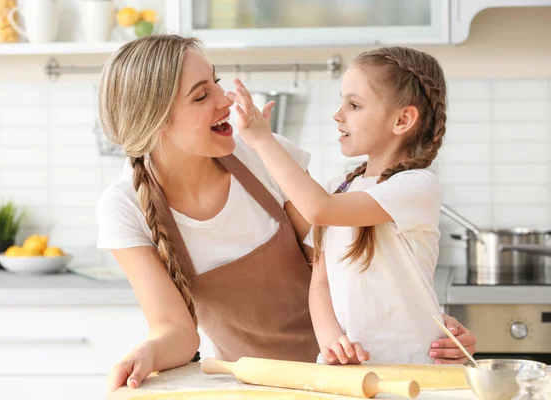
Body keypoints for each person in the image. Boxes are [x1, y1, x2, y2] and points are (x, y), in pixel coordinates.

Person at [95, 35, 477, 391]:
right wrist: (146, 352)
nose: (225, 100)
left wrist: (421, 325)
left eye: (216, 82)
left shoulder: (267, 159)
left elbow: (347, 268)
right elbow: (175, 330)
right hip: (256, 383)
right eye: (201, 96)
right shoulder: (125, 207)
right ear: (157, 121)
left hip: (351, 372)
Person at [228, 46, 457, 365]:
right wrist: (331, 342)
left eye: (354, 105)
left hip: (412, 367)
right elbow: (321, 283)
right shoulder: (339, 186)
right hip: (348, 371)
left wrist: (263, 141)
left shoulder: (417, 186)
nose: (338, 115)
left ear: (402, 120)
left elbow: (318, 209)